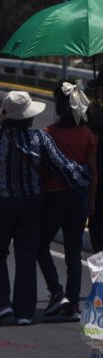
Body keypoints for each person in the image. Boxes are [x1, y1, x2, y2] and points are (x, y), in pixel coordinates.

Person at [0, 91, 90, 326]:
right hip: (32, 204)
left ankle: (1, 304)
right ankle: (24, 312)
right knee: (26, 255)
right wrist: (86, 174)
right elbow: (62, 167)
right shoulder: (38, 139)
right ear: (27, 118)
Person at [37, 82, 98, 322]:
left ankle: (56, 292)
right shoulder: (88, 135)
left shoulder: (49, 133)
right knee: (73, 252)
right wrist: (91, 199)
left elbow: (41, 170)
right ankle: (72, 304)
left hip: (55, 197)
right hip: (80, 197)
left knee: (41, 244)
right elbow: (93, 171)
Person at [85, 76, 103, 252]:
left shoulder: (96, 115)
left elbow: (92, 152)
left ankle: (99, 280)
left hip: (99, 189)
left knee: (98, 243)